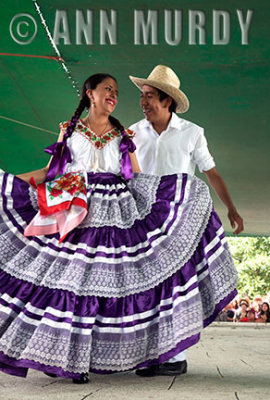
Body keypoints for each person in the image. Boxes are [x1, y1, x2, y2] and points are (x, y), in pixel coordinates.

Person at [0, 72, 238, 384]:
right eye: (107, 89)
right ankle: (71, 361)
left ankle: (105, 357)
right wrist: (11, 182)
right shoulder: (69, 131)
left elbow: (137, 179)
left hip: (116, 215)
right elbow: (49, 172)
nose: (113, 95)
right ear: (90, 93)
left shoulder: (125, 136)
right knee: (73, 285)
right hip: (76, 210)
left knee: (110, 287)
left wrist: (183, 191)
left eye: (116, 91)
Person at [128, 65, 244, 377]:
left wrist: (230, 208)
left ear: (167, 100)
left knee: (176, 287)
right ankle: (152, 355)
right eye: (142, 96)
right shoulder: (133, 132)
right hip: (144, 221)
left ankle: (176, 356)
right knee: (146, 288)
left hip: (179, 221)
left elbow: (211, 172)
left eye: (149, 96)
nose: (143, 102)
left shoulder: (192, 133)